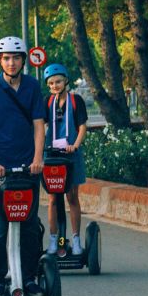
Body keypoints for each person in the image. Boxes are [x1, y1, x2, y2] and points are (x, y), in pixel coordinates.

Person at [0, 36, 45, 296]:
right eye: (6, 58)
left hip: (29, 168)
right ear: (0, 61)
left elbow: (39, 125)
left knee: (28, 225)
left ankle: (29, 278)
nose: (11, 62)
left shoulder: (32, 87)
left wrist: (38, 159)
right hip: (0, 170)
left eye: (16, 57)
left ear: (23, 60)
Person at [42, 63, 89, 255]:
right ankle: (55, 239)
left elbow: (83, 127)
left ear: (66, 81)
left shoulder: (76, 100)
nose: (55, 85)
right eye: (51, 83)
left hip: (71, 154)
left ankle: (76, 239)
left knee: (71, 197)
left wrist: (75, 144)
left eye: (58, 81)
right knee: (53, 198)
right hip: (51, 155)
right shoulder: (47, 102)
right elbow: (41, 125)